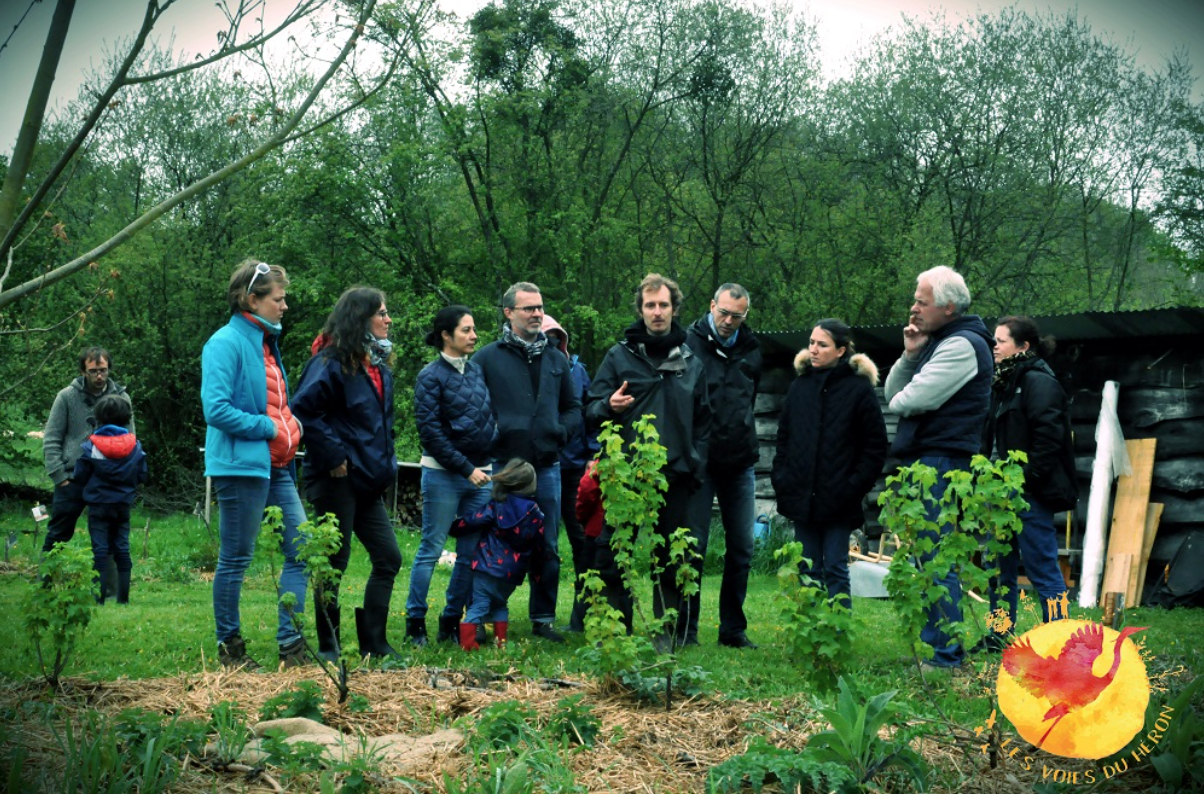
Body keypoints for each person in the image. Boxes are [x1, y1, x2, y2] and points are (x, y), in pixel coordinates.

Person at [585, 273, 711, 649]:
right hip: (625, 474)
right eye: (650, 305)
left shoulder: (691, 362)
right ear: (640, 310)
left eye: (663, 305)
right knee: (613, 553)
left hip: (675, 474)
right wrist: (608, 405)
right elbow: (589, 409)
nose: (657, 312)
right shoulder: (619, 356)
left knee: (672, 557)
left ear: (675, 309)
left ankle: (665, 635)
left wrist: (695, 461)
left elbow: (704, 422)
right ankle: (615, 633)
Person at [884, 265, 993, 672]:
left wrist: (904, 398)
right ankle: (939, 648)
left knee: (936, 558)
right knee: (927, 556)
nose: (913, 308)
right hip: (928, 458)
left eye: (921, 302)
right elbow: (894, 389)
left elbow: (910, 400)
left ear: (948, 307)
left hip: (942, 460)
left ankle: (946, 656)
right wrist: (911, 355)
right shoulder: (940, 342)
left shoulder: (962, 345)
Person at [201, 258, 309, 671]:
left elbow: (275, 403)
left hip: (276, 468)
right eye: (277, 299)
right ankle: (230, 649)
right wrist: (269, 427)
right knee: (236, 558)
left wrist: (293, 425)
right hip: (240, 468)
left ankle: (292, 647)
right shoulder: (224, 343)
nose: (284, 306)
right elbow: (216, 409)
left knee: (302, 550)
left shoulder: (266, 344)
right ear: (251, 300)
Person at [292, 286, 403, 661]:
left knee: (389, 557)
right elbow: (304, 410)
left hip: (368, 479)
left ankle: (375, 643)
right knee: (333, 564)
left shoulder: (377, 365)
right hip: (335, 478)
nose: (388, 319)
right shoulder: (330, 362)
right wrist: (334, 454)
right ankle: (329, 646)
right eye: (381, 313)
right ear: (360, 318)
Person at [472, 283, 582, 642]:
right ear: (508, 313)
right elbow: (472, 407)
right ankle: (482, 616)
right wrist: (493, 436)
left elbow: (572, 407)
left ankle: (543, 619)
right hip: (503, 466)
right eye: (528, 308)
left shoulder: (556, 359)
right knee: (493, 542)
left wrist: (559, 432)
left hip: (547, 465)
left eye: (539, 307)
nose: (536, 314)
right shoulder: (487, 358)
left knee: (547, 544)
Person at [976, 315, 1076, 647]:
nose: (994, 346)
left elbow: (1050, 440)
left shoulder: (1038, 382)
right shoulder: (1003, 382)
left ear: (1023, 346)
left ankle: (1059, 640)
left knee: (1043, 568)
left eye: (1001, 341)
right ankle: (999, 634)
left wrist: (1026, 480)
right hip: (998, 493)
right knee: (998, 570)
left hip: (1028, 494)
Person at [772, 319, 888, 606]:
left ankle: (837, 628)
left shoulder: (859, 389)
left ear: (840, 351)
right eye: (812, 342)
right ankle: (811, 627)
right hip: (802, 495)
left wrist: (853, 486)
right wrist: (782, 478)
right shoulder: (800, 386)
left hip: (839, 498)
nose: (813, 349)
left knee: (836, 567)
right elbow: (784, 437)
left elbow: (875, 446)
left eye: (822, 344)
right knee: (807, 568)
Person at [407, 305, 498, 646]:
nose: (474, 336)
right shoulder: (430, 377)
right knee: (431, 549)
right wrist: (466, 469)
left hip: (481, 476)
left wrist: (488, 458)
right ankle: (415, 623)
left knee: (470, 555)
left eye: (473, 329)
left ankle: (451, 621)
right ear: (446, 335)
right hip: (444, 475)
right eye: (466, 330)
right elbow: (430, 433)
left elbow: (485, 417)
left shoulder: (476, 371)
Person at [684, 283, 762, 649]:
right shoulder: (688, 344)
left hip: (740, 462)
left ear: (746, 315)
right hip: (700, 462)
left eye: (737, 316)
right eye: (724, 313)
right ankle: (686, 629)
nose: (729, 321)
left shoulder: (752, 348)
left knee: (742, 547)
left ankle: (732, 630)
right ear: (711, 305)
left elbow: (751, 399)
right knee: (693, 547)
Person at [450, 459, 552, 651]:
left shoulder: (498, 505)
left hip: (487, 566)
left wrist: (453, 527)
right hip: (512, 574)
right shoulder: (537, 514)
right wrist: (537, 573)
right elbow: (541, 548)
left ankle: (468, 643)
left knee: (479, 605)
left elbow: (473, 521)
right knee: (500, 604)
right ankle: (500, 642)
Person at [42, 347, 135, 557]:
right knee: (58, 534)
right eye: (93, 371)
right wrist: (59, 477)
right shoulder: (66, 396)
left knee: (107, 538)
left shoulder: (121, 398)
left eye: (103, 370)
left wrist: (123, 476)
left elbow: (130, 440)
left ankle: (105, 578)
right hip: (72, 477)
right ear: (83, 371)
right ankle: (46, 575)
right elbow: (52, 438)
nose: (99, 376)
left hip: (107, 479)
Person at [541, 314, 600, 633]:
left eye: (557, 336)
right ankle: (540, 613)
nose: (553, 342)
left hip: (576, 466)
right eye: (547, 336)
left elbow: (589, 414)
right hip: (540, 465)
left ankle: (584, 611)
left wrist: (593, 453)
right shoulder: (532, 368)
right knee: (541, 539)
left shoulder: (577, 370)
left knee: (582, 538)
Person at [71, 394, 147, 605]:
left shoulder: (91, 446)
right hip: (122, 504)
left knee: (100, 550)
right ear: (126, 418)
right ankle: (123, 599)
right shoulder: (135, 445)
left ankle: (99, 599)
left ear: (99, 418)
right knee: (122, 548)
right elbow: (142, 474)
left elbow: (80, 475)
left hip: (98, 505)